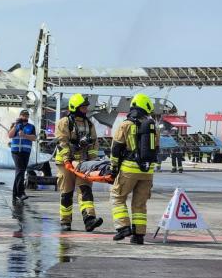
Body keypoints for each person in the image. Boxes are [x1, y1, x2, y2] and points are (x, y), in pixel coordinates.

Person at [109, 93, 160, 245]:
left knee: (117, 197)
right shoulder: (153, 127)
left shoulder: (125, 125)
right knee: (140, 203)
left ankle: (123, 227)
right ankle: (138, 236)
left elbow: (116, 148)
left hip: (129, 168)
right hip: (147, 171)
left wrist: (113, 168)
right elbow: (156, 149)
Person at [54, 93, 103, 232]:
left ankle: (89, 219)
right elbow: (62, 141)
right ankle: (65, 221)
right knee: (67, 192)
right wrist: (67, 159)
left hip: (83, 163)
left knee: (85, 190)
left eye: (86, 107)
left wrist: (92, 162)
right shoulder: (65, 122)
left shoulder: (89, 123)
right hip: (66, 163)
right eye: (83, 107)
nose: (85, 110)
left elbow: (94, 143)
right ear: (75, 107)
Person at [8, 109, 37, 203]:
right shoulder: (15, 125)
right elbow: (10, 135)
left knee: (20, 172)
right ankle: (20, 193)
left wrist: (24, 135)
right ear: (20, 116)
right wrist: (16, 126)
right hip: (16, 151)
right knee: (20, 170)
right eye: (23, 115)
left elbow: (34, 138)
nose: (25, 117)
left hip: (25, 151)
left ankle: (15, 194)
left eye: (26, 116)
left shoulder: (31, 127)